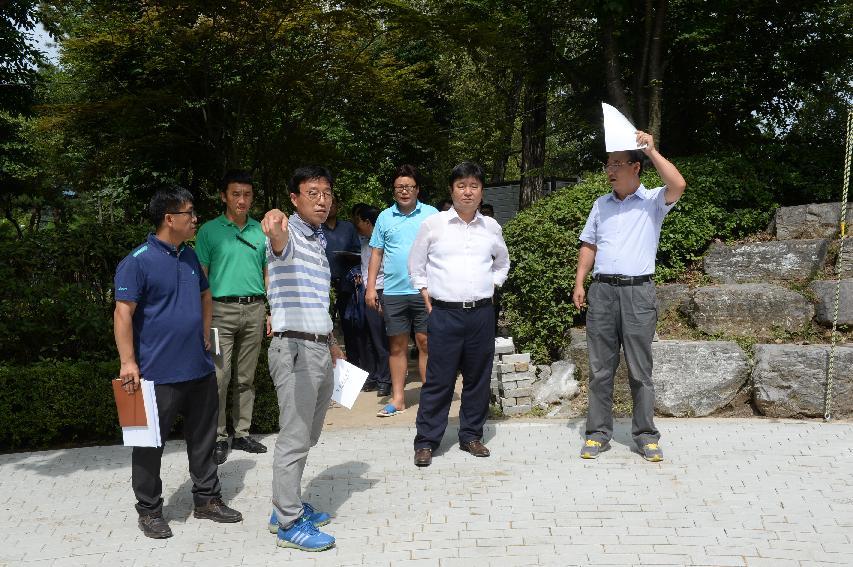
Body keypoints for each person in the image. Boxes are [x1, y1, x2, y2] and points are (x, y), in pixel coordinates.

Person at [114, 186, 243, 539]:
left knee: (203, 440)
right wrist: (128, 363)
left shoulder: (188, 256)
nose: (195, 219)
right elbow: (123, 314)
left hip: (199, 368)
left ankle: (207, 500)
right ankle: (150, 510)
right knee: (148, 445)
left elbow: (205, 293)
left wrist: (205, 331)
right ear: (170, 219)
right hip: (155, 375)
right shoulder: (137, 261)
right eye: (190, 213)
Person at [572, 130, 686, 462]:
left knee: (640, 369)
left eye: (617, 164)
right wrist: (580, 282)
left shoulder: (653, 201)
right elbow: (589, 244)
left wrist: (651, 149)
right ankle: (597, 433)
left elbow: (678, 185)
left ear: (635, 167)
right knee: (600, 368)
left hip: (638, 292)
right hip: (602, 291)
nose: (610, 170)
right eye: (608, 164)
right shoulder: (600, 204)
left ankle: (646, 435)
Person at [262, 166, 345, 552]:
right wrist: (275, 222)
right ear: (294, 198)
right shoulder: (290, 233)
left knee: (308, 434)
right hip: (294, 349)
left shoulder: (317, 239)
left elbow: (313, 298)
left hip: (318, 345)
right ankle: (289, 524)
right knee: (294, 438)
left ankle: (286, 506)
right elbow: (276, 234)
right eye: (312, 193)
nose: (322, 200)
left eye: (326, 193)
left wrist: (331, 341)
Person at [409, 162, 510, 467]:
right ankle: (426, 441)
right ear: (451, 190)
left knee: (478, 379)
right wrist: (428, 298)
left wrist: (492, 285)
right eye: (461, 186)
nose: (468, 192)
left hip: (481, 314)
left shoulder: (491, 227)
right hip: (444, 314)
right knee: (439, 380)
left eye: (474, 186)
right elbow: (417, 267)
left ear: (481, 192)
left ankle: (471, 436)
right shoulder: (433, 225)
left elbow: (502, 263)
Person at [195, 170, 268, 466]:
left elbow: (267, 272)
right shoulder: (209, 231)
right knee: (218, 377)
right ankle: (219, 436)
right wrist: (202, 317)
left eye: (247, 194)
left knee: (246, 377)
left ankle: (242, 432)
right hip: (219, 313)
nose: (242, 200)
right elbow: (202, 277)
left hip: (254, 309)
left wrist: (269, 308)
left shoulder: (259, 230)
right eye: (235, 194)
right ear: (224, 196)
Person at [365, 165, 438, 417]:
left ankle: (430, 396)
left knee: (426, 342)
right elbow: (376, 252)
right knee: (397, 346)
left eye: (409, 187)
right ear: (394, 190)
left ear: (417, 189)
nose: (404, 191)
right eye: (399, 187)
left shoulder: (431, 214)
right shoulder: (385, 217)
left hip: (425, 290)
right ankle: (398, 398)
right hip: (393, 292)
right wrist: (371, 287)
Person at [352, 203, 391, 395]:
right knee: (368, 338)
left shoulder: (385, 242)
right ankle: (374, 375)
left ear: (367, 222)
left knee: (381, 338)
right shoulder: (362, 241)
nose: (355, 225)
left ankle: (386, 378)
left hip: (382, 292)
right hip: (366, 293)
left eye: (357, 220)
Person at [323, 194, 362, 367]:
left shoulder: (348, 228)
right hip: (323, 286)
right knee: (323, 328)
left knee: (350, 327)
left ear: (338, 205)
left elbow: (358, 252)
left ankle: (352, 367)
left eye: (333, 203)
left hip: (346, 283)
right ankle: (327, 369)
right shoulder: (315, 229)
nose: (330, 206)